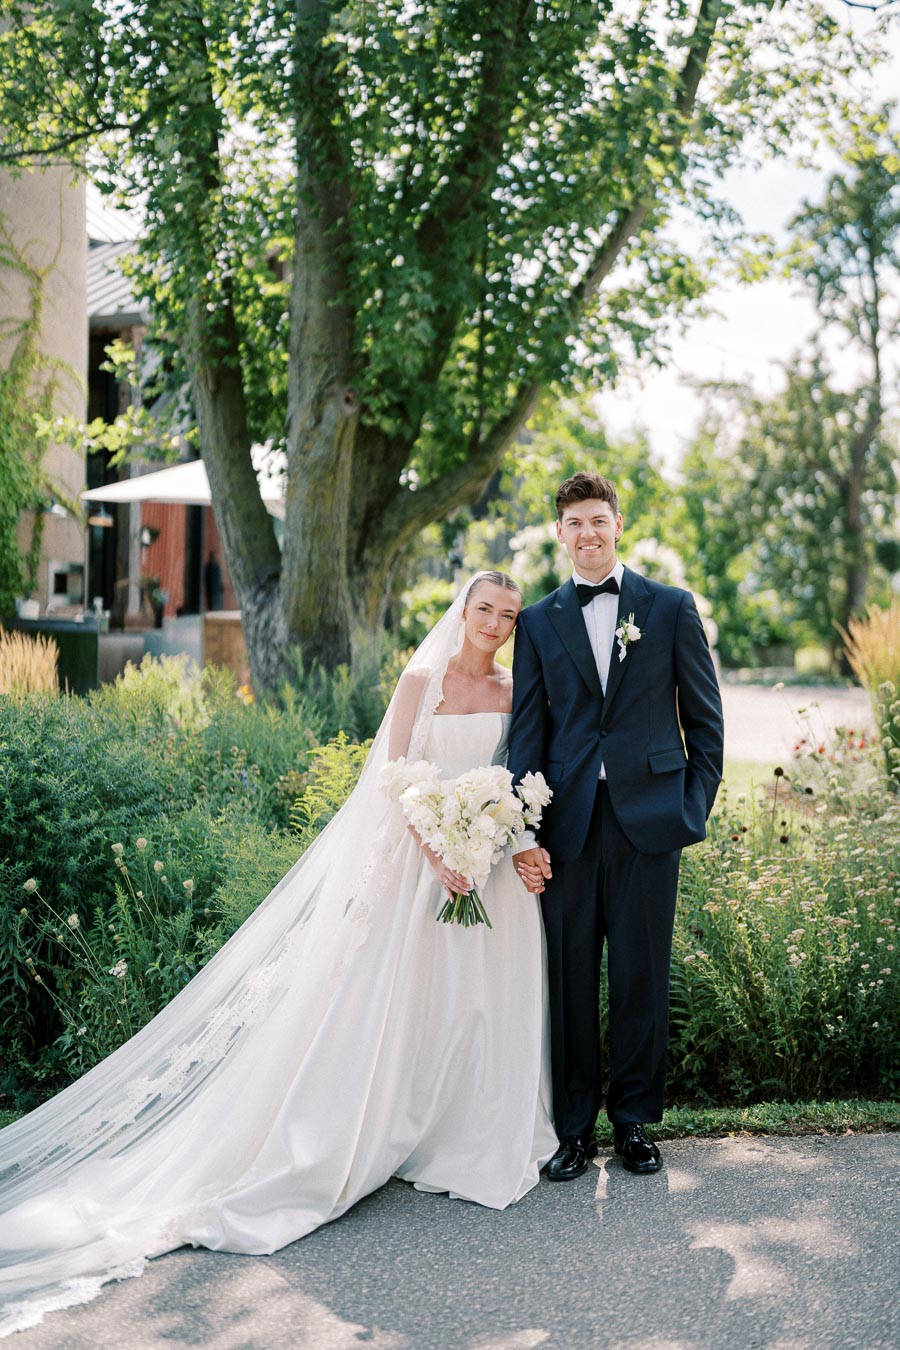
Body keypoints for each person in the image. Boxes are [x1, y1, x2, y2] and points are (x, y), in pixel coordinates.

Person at [0, 572, 557, 1339]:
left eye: (508, 614)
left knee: (479, 1000)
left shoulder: (513, 686)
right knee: (406, 999)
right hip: (421, 865)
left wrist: (501, 840)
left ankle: (467, 1129)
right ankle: (382, 1129)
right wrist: (436, 851)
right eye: (485, 608)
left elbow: (523, 773)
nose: (495, 622)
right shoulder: (420, 681)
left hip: (487, 868)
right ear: (463, 611)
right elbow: (394, 779)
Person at [509, 473, 724, 1180]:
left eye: (598, 520)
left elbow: (706, 723)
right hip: (567, 825)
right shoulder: (539, 622)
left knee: (640, 974)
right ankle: (574, 1130)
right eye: (574, 523)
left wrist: (689, 808)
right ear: (561, 533)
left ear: (618, 524)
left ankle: (633, 1122)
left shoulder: (669, 608)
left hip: (649, 824)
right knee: (570, 980)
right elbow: (528, 732)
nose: (588, 534)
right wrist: (526, 831)